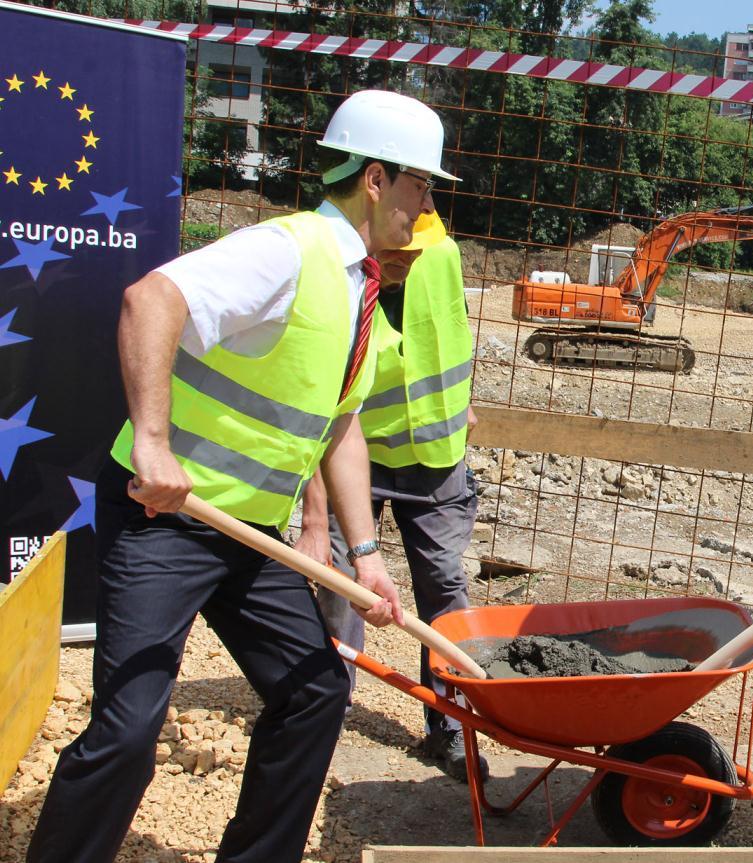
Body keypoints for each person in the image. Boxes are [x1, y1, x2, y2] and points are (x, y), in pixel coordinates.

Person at [27, 89, 460, 863]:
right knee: (129, 727)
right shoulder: (288, 252)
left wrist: (365, 554)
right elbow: (150, 299)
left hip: (249, 534)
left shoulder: (362, 288)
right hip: (164, 520)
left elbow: (340, 427)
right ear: (374, 178)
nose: (425, 206)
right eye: (421, 186)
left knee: (316, 692)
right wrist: (153, 443)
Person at [297, 211, 485, 782]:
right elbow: (304, 403)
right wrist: (312, 517)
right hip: (348, 453)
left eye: (416, 250)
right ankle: (324, 711)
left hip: (435, 452)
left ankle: (452, 723)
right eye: (400, 249)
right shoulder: (334, 271)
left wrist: (464, 404)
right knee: (340, 585)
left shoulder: (443, 254)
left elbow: (454, 330)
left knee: (445, 584)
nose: (408, 257)